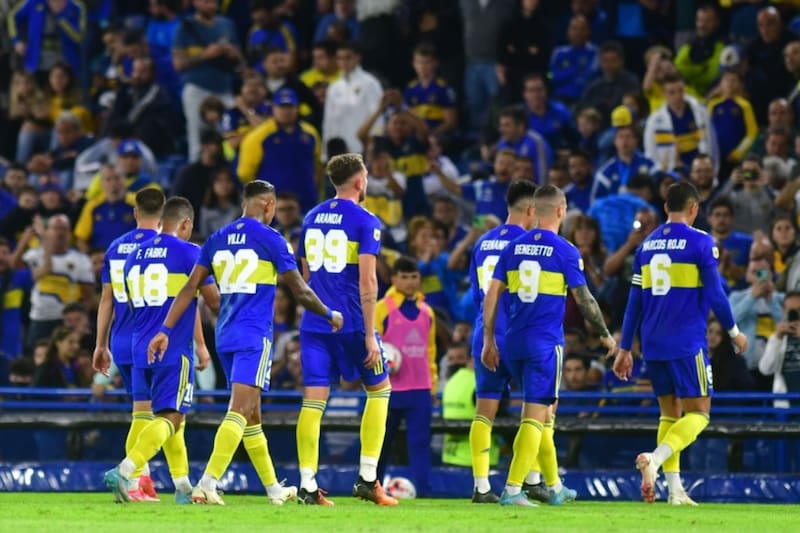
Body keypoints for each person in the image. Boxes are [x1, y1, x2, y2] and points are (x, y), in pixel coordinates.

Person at [150, 180, 342, 506]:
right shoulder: (272, 239)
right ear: (269, 205)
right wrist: (328, 313)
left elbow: (189, 289)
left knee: (252, 416)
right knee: (239, 411)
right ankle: (207, 483)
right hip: (253, 335)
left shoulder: (216, 238)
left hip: (225, 335)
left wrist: (165, 329)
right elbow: (299, 289)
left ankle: (274, 489)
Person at [614, 181, 748, 505]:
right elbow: (716, 293)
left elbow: (634, 303)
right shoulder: (701, 241)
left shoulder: (646, 246)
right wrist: (733, 332)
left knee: (669, 414)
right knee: (700, 414)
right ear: (694, 208)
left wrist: (624, 347)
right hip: (686, 342)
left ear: (665, 208)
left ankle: (674, 490)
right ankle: (655, 459)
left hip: (652, 344)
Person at [482, 184, 616, 506]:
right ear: (560, 210)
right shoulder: (565, 250)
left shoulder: (513, 248)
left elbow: (492, 295)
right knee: (535, 415)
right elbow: (584, 299)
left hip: (512, 341)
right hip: (544, 343)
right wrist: (605, 334)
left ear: (534, 210)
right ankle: (513, 489)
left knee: (543, 415)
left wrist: (488, 339)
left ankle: (554, 486)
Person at [103, 197, 220, 504]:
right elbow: (213, 300)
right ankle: (125, 470)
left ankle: (182, 487)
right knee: (172, 417)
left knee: (151, 416)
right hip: (172, 347)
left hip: (139, 346)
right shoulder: (190, 252)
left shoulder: (133, 256)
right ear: (185, 224)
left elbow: (128, 302)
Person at [295, 153, 397, 506]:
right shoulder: (366, 220)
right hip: (352, 322)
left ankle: (307, 485)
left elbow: (306, 277)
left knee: (313, 402)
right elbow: (368, 280)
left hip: (316, 323)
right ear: (359, 181)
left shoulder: (310, 217)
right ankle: (368, 479)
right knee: (380, 391)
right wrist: (370, 335)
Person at [467, 180, 541, 503]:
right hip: (520, 336)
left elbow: (477, 296)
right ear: (531, 209)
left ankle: (481, 486)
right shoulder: (529, 244)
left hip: (485, 333)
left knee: (484, 412)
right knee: (538, 410)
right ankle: (533, 480)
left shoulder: (482, 242)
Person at [92, 188, 165, 502]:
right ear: (163, 215)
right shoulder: (166, 247)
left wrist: (100, 344)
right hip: (152, 340)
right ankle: (131, 480)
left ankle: (143, 479)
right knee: (154, 415)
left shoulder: (115, 247)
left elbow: (106, 299)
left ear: (135, 212)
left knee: (144, 412)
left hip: (121, 340)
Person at [375, 256, 437, 497]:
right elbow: (371, 345)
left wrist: (432, 386)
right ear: (393, 279)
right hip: (388, 389)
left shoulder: (427, 312)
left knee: (420, 443)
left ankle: (424, 492)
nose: (410, 282)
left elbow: (430, 352)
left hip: (420, 389)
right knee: (381, 442)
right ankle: (372, 486)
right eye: (404, 277)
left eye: (414, 277)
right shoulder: (382, 309)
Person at [172, 0, 241, 161]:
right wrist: (206, 54)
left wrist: (232, 53)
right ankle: (197, 170)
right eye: (205, 1)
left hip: (224, 87)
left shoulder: (227, 24)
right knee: (197, 139)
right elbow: (178, 64)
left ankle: (229, 172)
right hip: (197, 88)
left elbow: (240, 59)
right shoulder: (186, 27)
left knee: (230, 135)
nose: (210, 4)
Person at [238, 87, 321, 214]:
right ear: (273, 108)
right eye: (282, 107)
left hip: (306, 201)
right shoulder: (258, 136)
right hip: (270, 204)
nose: (286, 111)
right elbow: (245, 173)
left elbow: (317, 166)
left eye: (290, 107)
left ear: (297, 108)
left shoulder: (310, 133)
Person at [20, 214, 95, 350]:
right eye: (55, 228)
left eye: (64, 229)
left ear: (70, 233)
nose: (60, 233)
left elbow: (88, 295)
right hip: (39, 317)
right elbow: (14, 272)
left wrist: (80, 319)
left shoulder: (81, 260)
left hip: (66, 321)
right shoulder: (33, 255)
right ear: (47, 231)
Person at [643, 73, 717, 173]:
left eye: (680, 90)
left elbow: (712, 144)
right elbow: (650, 153)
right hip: (671, 173)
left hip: (700, 172)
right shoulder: (654, 121)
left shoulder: (701, 113)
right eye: (672, 92)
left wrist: (713, 170)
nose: (678, 96)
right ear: (664, 94)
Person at [760, 291, 800, 408]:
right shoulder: (778, 338)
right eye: (791, 310)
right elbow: (765, 369)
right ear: (784, 312)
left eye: (799, 309)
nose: (795, 314)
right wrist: (777, 338)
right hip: (785, 407)